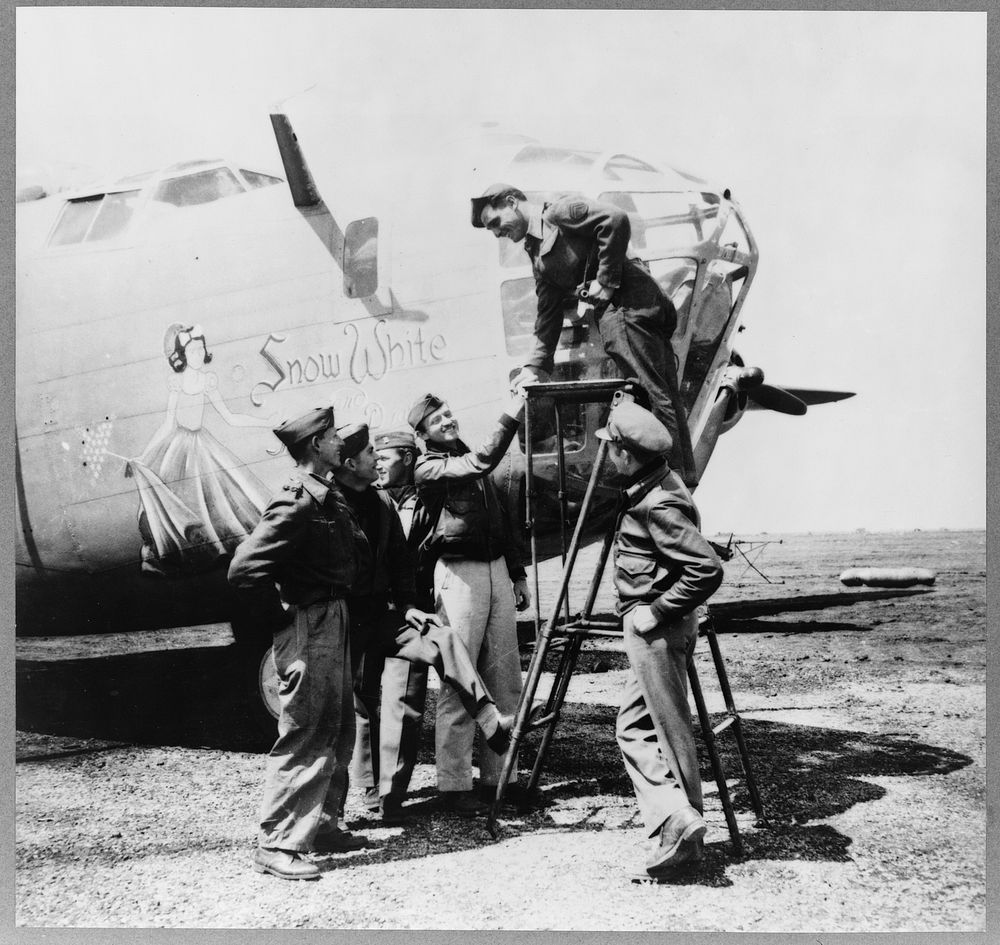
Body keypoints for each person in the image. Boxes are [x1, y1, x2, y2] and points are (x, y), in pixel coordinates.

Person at [334, 423, 514, 823]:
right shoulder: (343, 501)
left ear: (409, 459)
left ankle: (391, 795)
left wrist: (408, 604)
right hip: (353, 617)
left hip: (398, 611)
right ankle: (368, 791)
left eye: (386, 457)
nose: (379, 464)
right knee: (361, 706)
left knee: (405, 701)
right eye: (372, 457)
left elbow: (406, 558)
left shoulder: (415, 495)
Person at [470, 184, 697, 486]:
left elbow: (614, 219)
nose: (497, 233)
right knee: (661, 392)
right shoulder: (537, 253)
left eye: (496, 223)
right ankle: (683, 478)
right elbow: (547, 315)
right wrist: (533, 367)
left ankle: (669, 482)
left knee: (652, 393)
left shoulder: (557, 211)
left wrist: (606, 281)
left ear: (512, 203)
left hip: (629, 306)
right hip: (624, 313)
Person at [227, 406, 367, 881]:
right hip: (310, 622)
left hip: (334, 616)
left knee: (337, 725)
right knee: (305, 730)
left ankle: (323, 824)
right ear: (314, 446)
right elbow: (244, 569)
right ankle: (277, 842)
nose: (339, 443)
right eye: (331, 437)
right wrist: (284, 619)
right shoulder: (297, 501)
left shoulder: (329, 496)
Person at [596, 399, 724, 878]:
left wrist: (655, 611)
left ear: (627, 455)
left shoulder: (659, 501)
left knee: (665, 731)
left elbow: (706, 569)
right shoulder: (655, 484)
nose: (608, 457)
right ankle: (678, 820)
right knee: (637, 726)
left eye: (612, 449)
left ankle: (683, 830)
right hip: (658, 629)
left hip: (656, 629)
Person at [408, 393, 530, 816]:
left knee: (506, 679)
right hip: (458, 576)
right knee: (460, 681)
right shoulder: (430, 467)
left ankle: (502, 779)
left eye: (449, 413)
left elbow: (502, 519)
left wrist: (517, 573)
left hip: (495, 569)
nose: (448, 420)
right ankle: (454, 786)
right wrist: (512, 412)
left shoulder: (470, 461)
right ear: (421, 433)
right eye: (437, 419)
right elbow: (481, 461)